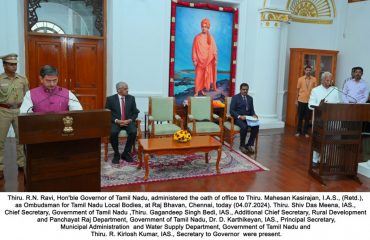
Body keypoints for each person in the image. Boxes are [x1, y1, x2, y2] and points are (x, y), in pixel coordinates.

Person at [0, 53, 29, 180]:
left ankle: (22, 164)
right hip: (3, 111)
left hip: (19, 110)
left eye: (15, 64)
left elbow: (27, 95)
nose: (14, 66)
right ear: (4, 65)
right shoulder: (0, 79)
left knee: (21, 139)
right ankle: (0, 167)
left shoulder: (22, 79)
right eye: (11, 64)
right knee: (0, 141)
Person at [308, 72, 341, 167]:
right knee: (318, 140)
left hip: (332, 119)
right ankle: (315, 159)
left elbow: (338, 102)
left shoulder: (335, 90)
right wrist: (319, 106)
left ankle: (324, 160)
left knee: (328, 140)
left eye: (331, 80)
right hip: (319, 120)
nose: (329, 82)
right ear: (322, 80)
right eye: (327, 80)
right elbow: (310, 104)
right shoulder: (315, 90)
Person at [105, 82, 139, 164]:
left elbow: (135, 112)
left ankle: (125, 153)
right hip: (116, 122)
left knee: (133, 131)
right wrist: (117, 121)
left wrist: (130, 120)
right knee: (113, 132)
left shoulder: (131, 98)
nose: (127, 90)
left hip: (128, 121)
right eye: (125, 88)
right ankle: (116, 154)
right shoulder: (110, 99)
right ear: (119, 90)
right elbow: (107, 113)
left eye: (127, 88)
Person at [230, 83, 259, 154]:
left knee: (256, 126)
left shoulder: (250, 98)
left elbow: (252, 110)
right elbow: (231, 110)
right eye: (243, 89)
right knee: (244, 126)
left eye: (246, 90)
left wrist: (254, 115)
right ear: (240, 90)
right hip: (238, 118)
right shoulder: (235, 98)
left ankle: (249, 144)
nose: (245, 91)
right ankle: (242, 145)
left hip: (248, 118)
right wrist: (239, 116)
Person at [192, 18, 218, 96]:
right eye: (203, 26)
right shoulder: (197, 38)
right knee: (198, 76)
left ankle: (202, 90)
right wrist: (194, 59)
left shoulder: (211, 38)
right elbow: (194, 49)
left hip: (208, 61)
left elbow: (214, 49)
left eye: (206, 27)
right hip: (199, 61)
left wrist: (215, 58)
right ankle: (197, 91)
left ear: (208, 28)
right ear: (201, 27)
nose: (204, 28)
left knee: (205, 77)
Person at [295, 65, 317, 138]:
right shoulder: (300, 79)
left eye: (309, 70)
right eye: (307, 70)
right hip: (301, 100)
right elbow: (297, 90)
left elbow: (315, 91)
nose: (308, 71)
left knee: (307, 118)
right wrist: (296, 100)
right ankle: (298, 131)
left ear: (311, 71)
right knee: (300, 117)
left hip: (310, 101)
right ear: (304, 71)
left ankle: (305, 132)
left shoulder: (314, 79)